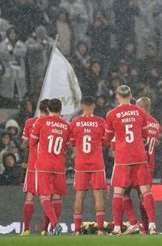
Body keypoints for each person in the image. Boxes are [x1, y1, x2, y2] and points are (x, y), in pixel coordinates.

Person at [104, 85, 157, 235]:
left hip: (123, 158)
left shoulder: (112, 114)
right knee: (146, 191)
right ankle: (152, 225)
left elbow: (107, 139)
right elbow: (146, 135)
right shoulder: (140, 111)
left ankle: (117, 227)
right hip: (140, 157)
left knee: (118, 192)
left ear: (117, 97)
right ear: (131, 95)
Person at [121, 97, 161, 234]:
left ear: (140, 107)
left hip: (136, 163)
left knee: (123, 192)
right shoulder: (156, 123)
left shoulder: (138, 121)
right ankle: (147, 227)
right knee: (143, 196)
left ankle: (134, 223)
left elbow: (139, 141)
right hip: (150, 165)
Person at [30, 99, 70, 236]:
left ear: (48, 109)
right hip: (58, 164)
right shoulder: (66, 125)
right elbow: (66, 145)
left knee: (44, 196)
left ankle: (55, 224)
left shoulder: (41, 122)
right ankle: (50, 230)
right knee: (57, 196)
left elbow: (33, 142)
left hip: (44, 164)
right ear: (61, 109)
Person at [69, 96, 107, 235]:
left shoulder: (75, 122)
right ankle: (101, 229)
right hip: (97, 163)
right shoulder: (100, 122)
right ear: (94, 106)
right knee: (98, 195)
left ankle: (77, 230)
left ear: (82, 105)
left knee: (79, 195)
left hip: (81, 164)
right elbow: (106, 142)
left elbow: (72, 143)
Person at [20, 99, 49, 236]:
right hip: (47, 166)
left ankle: (26, 229)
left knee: (30, 196)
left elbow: (25, 143)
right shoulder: (53, 124)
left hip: (33, 164)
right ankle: (45, 229)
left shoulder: (30, 123)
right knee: (47, 196)